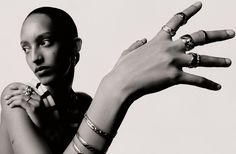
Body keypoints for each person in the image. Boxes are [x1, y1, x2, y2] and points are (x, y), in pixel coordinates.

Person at [0, 1, 234, 154]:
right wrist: (115, 87)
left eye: (45, 42)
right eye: (26, 48)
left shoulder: (82, 104)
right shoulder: (18, 100)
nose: (35, 57)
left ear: (75, 47)